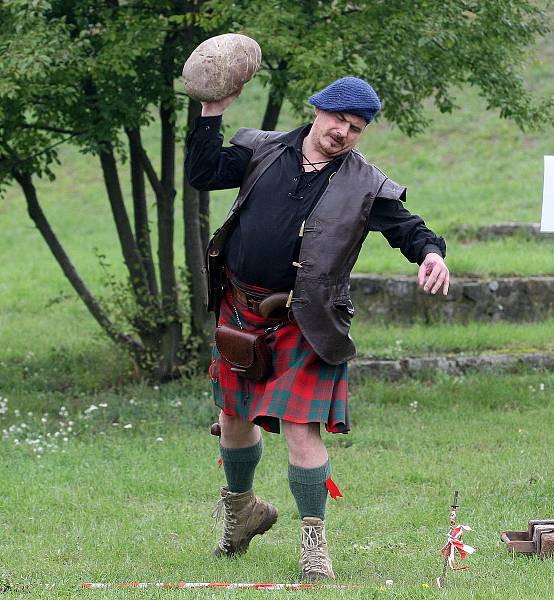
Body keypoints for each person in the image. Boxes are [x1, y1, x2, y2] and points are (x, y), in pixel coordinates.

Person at [185, 76, 449, 580]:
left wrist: (431, 252)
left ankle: (313, 546)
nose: (342, 133)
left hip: (305, 320)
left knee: (301, 431)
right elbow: (202, 171)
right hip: (239, 312)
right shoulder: (261, 150)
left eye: (355, 128)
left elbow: (407, 227)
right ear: (318, 112)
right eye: (337, 121)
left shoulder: (365, 184)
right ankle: (242, 514)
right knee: (234, 420)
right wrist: (211, 111)